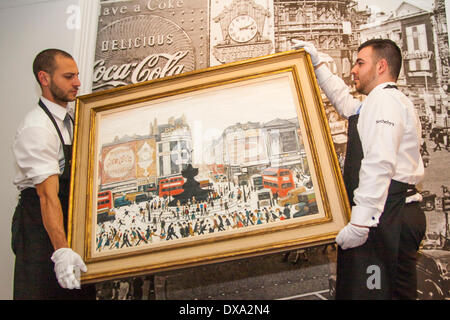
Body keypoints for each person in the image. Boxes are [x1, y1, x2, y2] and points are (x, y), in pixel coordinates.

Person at [293, 39, 426, 299]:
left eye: (360, 62)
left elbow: (379, 163)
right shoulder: (380, 102)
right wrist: (318, 64)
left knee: (370, 295)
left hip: (385, 218)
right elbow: (346, 105)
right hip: (390, 213)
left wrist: (361, 224)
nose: (353, 69)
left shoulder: (384, 101)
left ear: (381, 66)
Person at [11, 49, 96, 299]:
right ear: (44, 79)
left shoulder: (72, 118)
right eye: (69, 76)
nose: (77, 83)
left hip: (67, 223)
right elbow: (48, 197)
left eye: (77, 75)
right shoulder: (37, 127)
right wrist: (61, 251)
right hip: (40, 228)